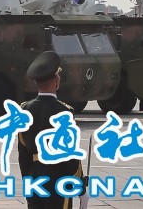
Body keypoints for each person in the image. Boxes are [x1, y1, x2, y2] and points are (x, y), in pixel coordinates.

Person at [18, 51, 85, 209]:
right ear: (56, 81)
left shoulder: (24, 110)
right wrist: (81, 187)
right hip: (58, 176)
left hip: (34, 176)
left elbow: (23, 153)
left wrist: (28, 179)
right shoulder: (65, 112)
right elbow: (71, 156)